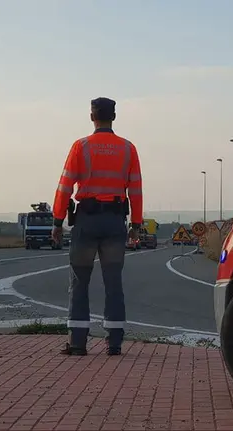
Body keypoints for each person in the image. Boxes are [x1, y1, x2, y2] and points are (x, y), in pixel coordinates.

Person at [51, 97, 143, 356]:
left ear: (92, 117)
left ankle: (77, 342)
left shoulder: (81, 147)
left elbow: (65, 187)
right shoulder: (128, 149)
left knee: (79, 280)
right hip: (115, 222)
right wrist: (136, 224)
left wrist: (57, 222)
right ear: (114, 117)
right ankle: (114, 343)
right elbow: (135, 189)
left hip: (87, 221)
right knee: (113, 282)